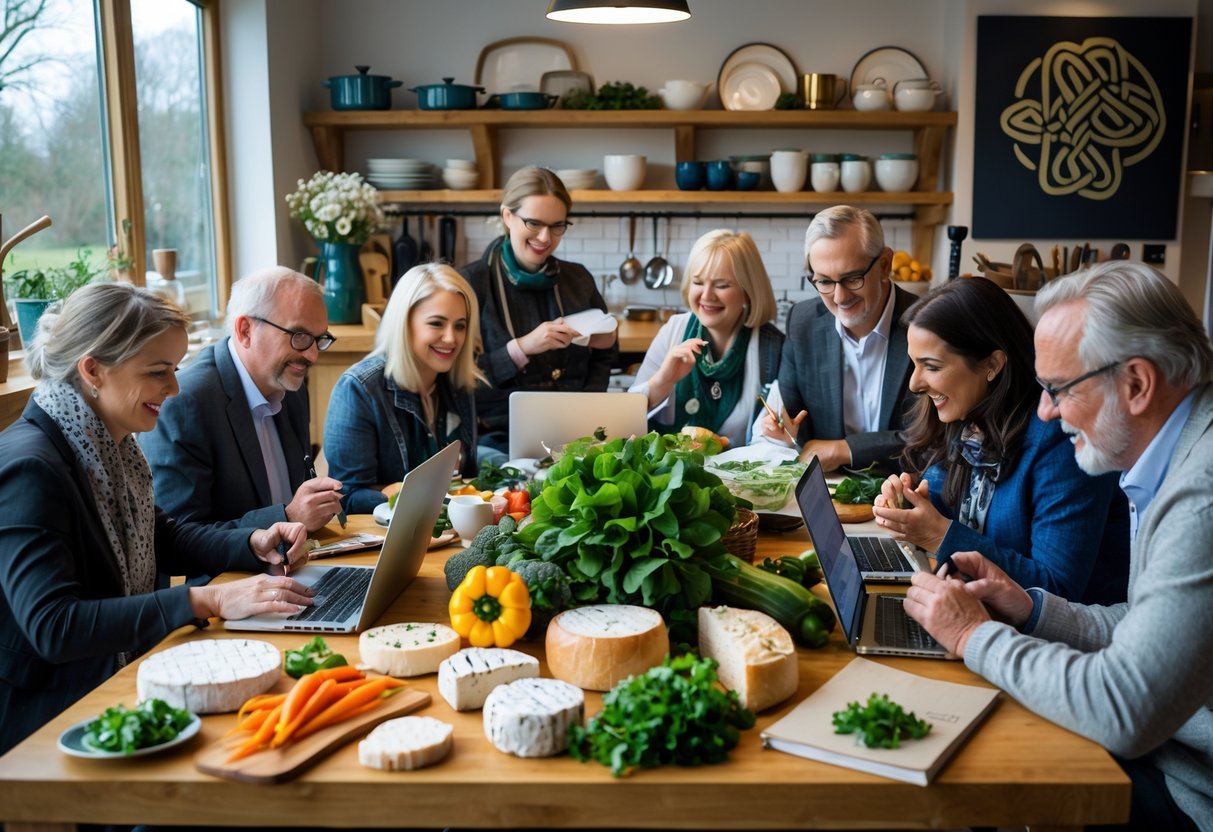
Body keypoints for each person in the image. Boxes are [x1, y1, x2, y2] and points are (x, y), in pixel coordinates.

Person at [902, 261, 1213, 831]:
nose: (1046, 411)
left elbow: (1123, 708)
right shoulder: (1170, 459)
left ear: (1137, 384)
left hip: (1184, 791)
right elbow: (1143, 623)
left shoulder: (1199, 498)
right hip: (1163, 753)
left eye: (1059, 389)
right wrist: (1033, 609)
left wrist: (973, 635)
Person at [0, 283, 315, 756]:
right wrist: (204, 599)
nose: (174, 388)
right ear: (93, 370)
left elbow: (161, 533)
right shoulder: (32, 467)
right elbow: (53, 625)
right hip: (54, 721)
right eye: (157, 372)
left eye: (175, 369)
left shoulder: (112, 442)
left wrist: (251, 542)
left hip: (121, 678)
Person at [870, 277, 1129, 604]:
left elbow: (1056, 590)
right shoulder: (965, 417)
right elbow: (941, 499)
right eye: (915, 364)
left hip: (1058, 647)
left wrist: (937, 534)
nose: (914, 383)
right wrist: (908, 507)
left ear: (993, 364)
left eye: (931, 366)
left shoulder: (1062, 441)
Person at [141, 267, 343, 532]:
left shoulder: (290, 386)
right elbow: (181, 537)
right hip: (231, 574)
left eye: (319, 339)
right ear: (245, 330)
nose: (313, 356)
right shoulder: (184, 403)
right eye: (300, 337)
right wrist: (288, 517)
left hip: (296, 562)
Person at [460, 166, 618, 459]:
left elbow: (606, 355)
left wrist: (588, 407)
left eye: (558, 225)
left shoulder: (578, 279)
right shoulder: (471, 283)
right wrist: (521, 348)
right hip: (497, 440)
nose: (546, 237)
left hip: (576, 436)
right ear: (507, 216)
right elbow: (459, 378)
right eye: (534, 223)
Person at [757, 205, 917, 471]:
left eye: (853, 278)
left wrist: (844, 449)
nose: (840, 298)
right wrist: (785, 432)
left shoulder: (925, 325)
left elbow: (933, 437)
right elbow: (794, 423)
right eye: (824, 282)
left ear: (885, 265)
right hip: (829, 491)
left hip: (908, 489)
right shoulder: (802, 321)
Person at [324, 263, 484, 514]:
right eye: (436, 323)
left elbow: (467, 477)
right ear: (404, 323)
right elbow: (347, 498)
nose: (452, 338)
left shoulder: (459, 382)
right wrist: (405, 494)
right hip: (386, 540)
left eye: (460, 326)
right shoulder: (359, 389)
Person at [629, 229, 782, 448]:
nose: (707, 296)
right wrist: (663, 381)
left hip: (737, 478)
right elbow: (626, 420)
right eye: (698, 282)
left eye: (722, 285)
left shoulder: (772, 348)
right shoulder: (674, 329)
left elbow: (775, 442)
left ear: (748, 290)